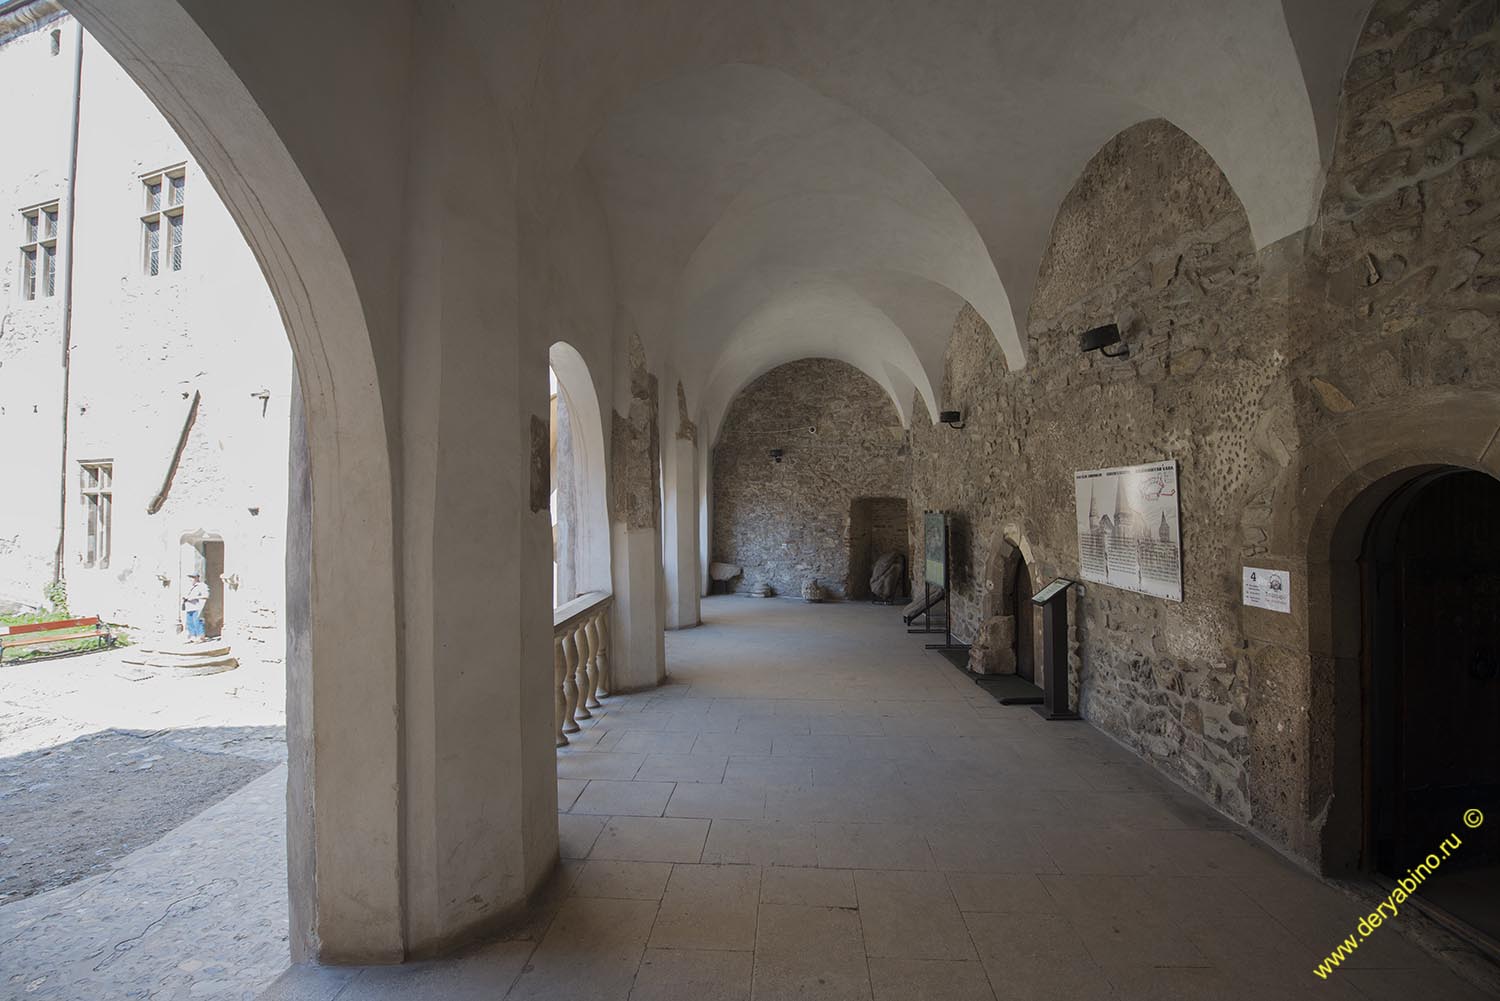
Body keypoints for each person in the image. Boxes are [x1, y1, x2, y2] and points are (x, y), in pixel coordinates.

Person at [183, 573, 210, 642]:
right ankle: (192, 636)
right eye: (190, 578)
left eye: (193, 578)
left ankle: (200, 637)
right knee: (190, 622)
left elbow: (206, 595)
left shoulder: (202, 586)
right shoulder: (189, 586)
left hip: (197, 606)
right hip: (189, 606)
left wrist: (194, 598)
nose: (191, 579)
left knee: (197, 621)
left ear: (197, 578)